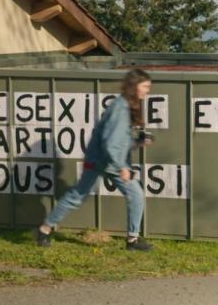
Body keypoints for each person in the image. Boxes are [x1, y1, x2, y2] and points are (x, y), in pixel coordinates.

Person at [35, 69, 154, 251]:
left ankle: (132, 240)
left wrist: (137, 141)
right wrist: (122, 166)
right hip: (102, 162)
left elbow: (118, 140)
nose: (147, 90)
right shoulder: (120, 108)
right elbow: (110, 142)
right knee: (77, 197)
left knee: (134, 195)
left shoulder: (126, 106)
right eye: (145, 86)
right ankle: (44, 230)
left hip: (109, 162)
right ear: (134, 86)